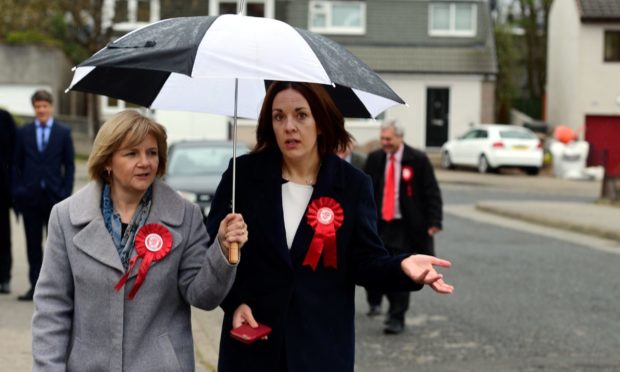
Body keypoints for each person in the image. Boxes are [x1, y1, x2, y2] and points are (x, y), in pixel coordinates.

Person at [206, 81, 453, 372]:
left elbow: (366, 262)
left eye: (301, 115)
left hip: (321, 348)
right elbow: (210, 249)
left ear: (321, 121)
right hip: (252, 347)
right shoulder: (242, 176)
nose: (289, 126)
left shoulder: (352, 185)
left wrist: (403, 266)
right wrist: (234, 300)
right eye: (278, 116)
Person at [31, 110, 247, 371]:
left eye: (152, 153)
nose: (145, 162)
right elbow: (52, 307)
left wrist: (222, 250)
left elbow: (202, 295)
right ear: (107, 161)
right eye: (132, 153)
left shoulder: (186, 216)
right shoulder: (65, 217)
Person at [363, 120, 443, 334]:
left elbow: (431, 191)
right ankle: (381, 303)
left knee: (404, 268)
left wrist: (435, 221)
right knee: (379, 266)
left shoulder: (418, 159)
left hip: (406, 226)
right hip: (379, 223)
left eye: (388, 139)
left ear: (400, 138)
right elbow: (365, 190)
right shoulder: (375, 158)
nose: (384, 143)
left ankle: (396, 316)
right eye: (382, 138)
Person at [11, 90, 75, 301]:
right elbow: (16, 164)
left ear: (51, 107)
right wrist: (19, 189)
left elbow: (70, 166)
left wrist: (66, 193)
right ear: (34, 108)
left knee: (57, 245)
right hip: (30, 198)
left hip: (55, 197)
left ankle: (58, 289)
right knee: (32, 244)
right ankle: (35, 286)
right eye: (38, 106)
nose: (41, 110)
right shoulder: (24, 132)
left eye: (45, 106)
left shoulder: (63, 133)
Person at [0, 107, 16, 294]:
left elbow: (14, 155)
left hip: (2, 192)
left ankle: (4, 277)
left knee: (3, 236)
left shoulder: (5, 118)